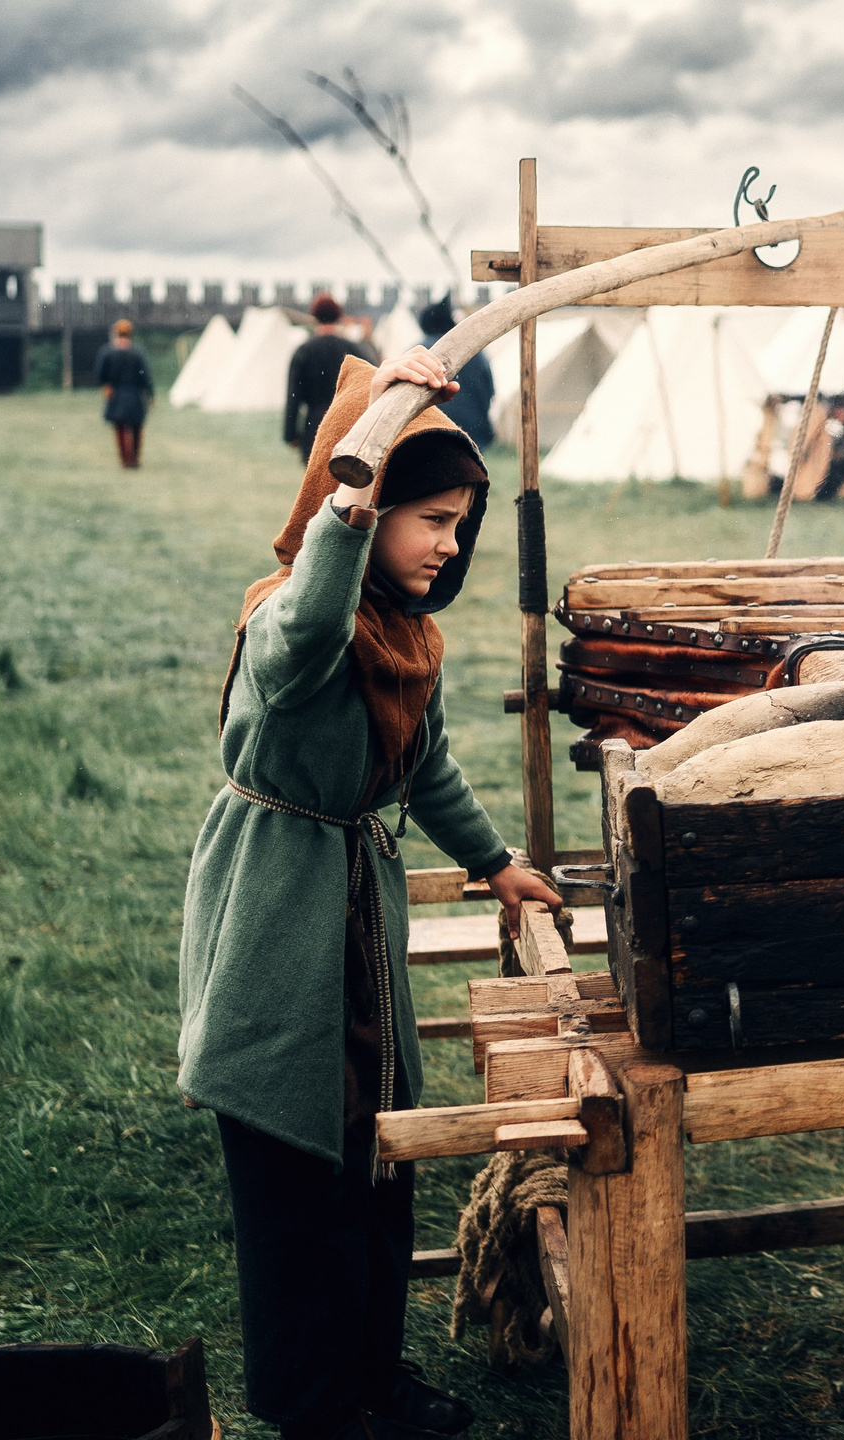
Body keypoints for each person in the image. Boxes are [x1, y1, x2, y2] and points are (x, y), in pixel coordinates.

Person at [180, 346, 561, 1439]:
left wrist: (494, 863)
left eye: (457, 524)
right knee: (296, 1176)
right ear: (367, 511)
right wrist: (348, 497)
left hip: (357, 916)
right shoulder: (291, 627)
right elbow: (311, 615)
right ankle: (310, 1401)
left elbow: (426, 767)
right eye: (428, 518)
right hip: (278, 915)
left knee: (376, 1159)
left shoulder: (408, 639)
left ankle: (371, 1375)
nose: (448, 545)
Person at [284, 294, 379, 462]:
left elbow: (294, 396)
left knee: (315, 484)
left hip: (315, 425)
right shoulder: (352, 349)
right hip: (347, 425)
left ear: (314, 317)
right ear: (338, 316)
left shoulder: (304, 351)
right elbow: (371, 381)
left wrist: (290, 434)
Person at [416, 296, 497, 451]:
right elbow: (490, 390)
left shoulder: (419, 351)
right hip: (474, 431)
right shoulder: (475, 351)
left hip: (434, 432)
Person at [95, 318, 154, 468]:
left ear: (116, 332)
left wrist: (107, 385)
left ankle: (125, 460)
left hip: (117, 394)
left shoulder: (107, 352)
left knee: (120, 428)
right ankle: (134, 460)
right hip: (134, 393)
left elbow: (100, 373)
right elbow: (145, 375)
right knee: (136, 428)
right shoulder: (136, 352)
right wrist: (150, 394)